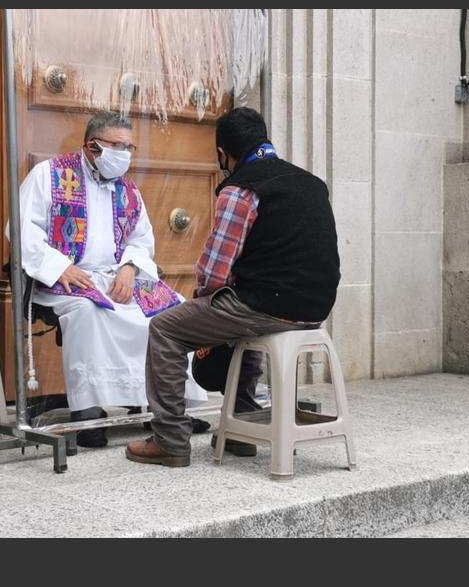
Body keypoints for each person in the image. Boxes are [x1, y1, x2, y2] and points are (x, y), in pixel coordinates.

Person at [125, 107, 341, 467]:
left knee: (165, 328)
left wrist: (204, 302)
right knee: (243, 314)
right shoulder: (311, 182)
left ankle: (169, 440)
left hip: (266, 305)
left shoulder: (241, 189)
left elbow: (214, 271)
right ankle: (241, 428)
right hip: (314, 309)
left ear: (223, 153)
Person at [15, 110, 208, 447]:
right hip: (66, 278)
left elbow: (141, 239)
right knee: (90, 314)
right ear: (93, 146)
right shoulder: (49, 175)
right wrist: (60, 266)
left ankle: (169, 409)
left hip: (117, 276)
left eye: (130, 147)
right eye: (119, 146)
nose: (126, 155)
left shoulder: (128, 190)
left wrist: (130, 269)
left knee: (173, 310)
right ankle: (87, 414)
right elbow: (21, 232)